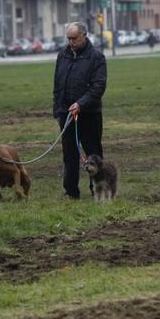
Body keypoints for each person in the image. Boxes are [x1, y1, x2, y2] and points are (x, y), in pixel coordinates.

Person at [53, 22, 107, 199]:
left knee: (93, 153)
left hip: (89, 114)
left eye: (74, 38)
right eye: (68, 38)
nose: (70, 42)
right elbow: (58, 84)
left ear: (84, 35)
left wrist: (81, 104)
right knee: (69, 154)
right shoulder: (62, 55)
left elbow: (98, 87)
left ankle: (99, 189)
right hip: (66, 114)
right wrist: (58, 109)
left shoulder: (96, 58)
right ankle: (71, 191)